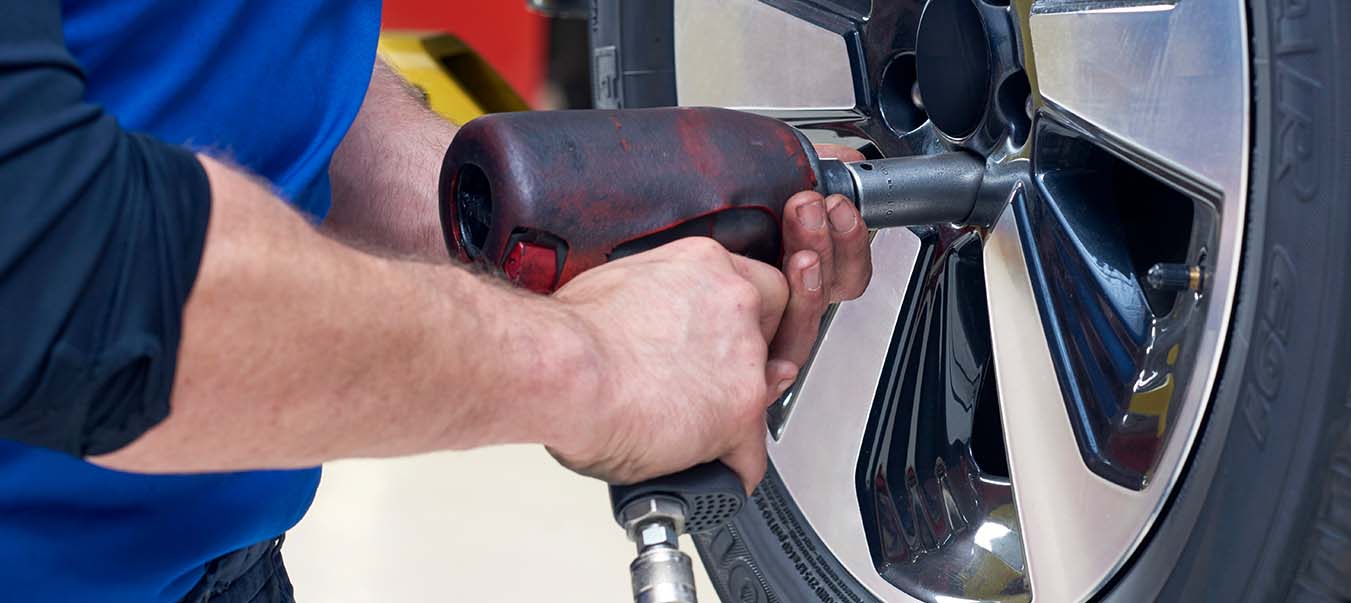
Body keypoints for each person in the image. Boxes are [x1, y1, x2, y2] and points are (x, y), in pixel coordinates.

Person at [0, 2, 874, 601]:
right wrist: (596, 364)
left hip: (212, 559)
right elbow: (54, 267)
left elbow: (204, 42)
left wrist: (510, 213)